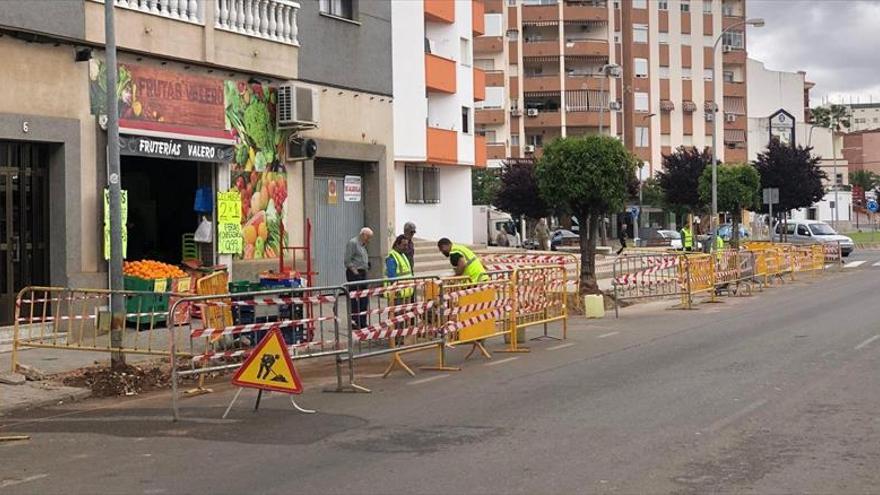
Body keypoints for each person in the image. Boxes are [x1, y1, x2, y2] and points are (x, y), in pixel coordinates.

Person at [345, 227, 373, 329]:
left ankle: (362, 321)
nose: (369, 240)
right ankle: (355, 321)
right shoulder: (353, 243)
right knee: (355, 298)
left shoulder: (363, 246)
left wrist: (367, 264)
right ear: (363, 235)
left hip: (363, 273)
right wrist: (355, 272)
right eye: (368, 237)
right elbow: (347, 260)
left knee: (364, 298)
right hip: (354, 274)